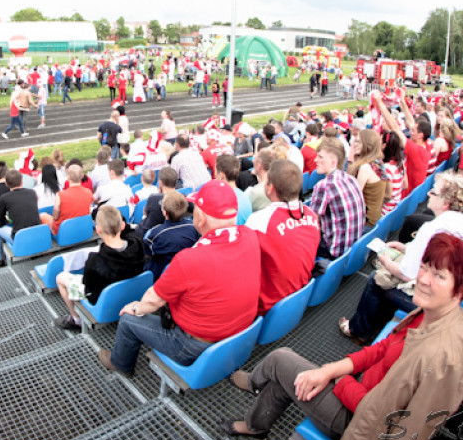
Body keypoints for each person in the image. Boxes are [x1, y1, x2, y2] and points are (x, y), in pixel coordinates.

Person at [221, 235, 463, 440]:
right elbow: (380, 350)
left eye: (439, 276)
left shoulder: (446, 357)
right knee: (291, 374)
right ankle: (257, 424)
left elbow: (410, 436)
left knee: (280, 359)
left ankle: (256, 383)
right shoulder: (430, 313)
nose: (423, 279)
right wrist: (331, 371)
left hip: (357, 421)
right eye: (425, 267)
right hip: (358, 393)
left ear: (460, 289)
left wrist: (337, 379)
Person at [97, 180, 261, 376]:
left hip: (193, 345)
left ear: (200, 218)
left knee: (127, 320)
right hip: (240, 335)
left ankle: (120, 364)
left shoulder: (189, 259)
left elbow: (152, 300)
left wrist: (134, 308)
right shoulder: (251, 236)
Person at [340, 175, 463, 344]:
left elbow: (406, 274)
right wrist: (406, 248)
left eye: (433, 192)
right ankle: (379, 320)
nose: (428, 193)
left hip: (432, 301)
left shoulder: (432, 229)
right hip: (450, 298)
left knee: (375, 279)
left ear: (445, 203)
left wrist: (386, 262)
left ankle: (359, 330)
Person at [245, 160, 318, 315]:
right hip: (299, 294)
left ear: (270, 188)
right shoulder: (311, 214)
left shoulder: (259, 221)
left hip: (268, 304)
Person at [53, 206, 145, 331]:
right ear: (123, 226)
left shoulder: (95, 260)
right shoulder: (137, 243)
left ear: (97, 229)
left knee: (60, 277)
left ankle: (77, 320)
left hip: (102, 298)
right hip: (130, 290)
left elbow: (88, 289)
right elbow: (128, 230)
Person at [308, 138, 366, 259]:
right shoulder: (351, 179)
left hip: (335, 251)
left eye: (320, 157)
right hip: (353, 247)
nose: (315, 160)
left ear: (333, 162)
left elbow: (310, 223)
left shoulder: (324, 186)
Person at [0, 170, 42, 267]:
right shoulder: (32, 192)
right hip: (38, 234)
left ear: (6, 184)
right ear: (22, 182)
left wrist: (6, 220)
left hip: (20, 238)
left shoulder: (4, 198)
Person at [142, 191, 200, 280]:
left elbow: (147, 254)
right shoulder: (193, 227)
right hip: (187, 271)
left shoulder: (155, 233)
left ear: (164, 212)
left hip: (162, 275)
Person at [346, 128, 388, 229]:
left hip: (367, 223)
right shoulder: (378, 163)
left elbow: (353, 198)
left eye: (359, 142)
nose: (355, 144)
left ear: (367, 145)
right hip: (375, 218)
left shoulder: (365, 167)